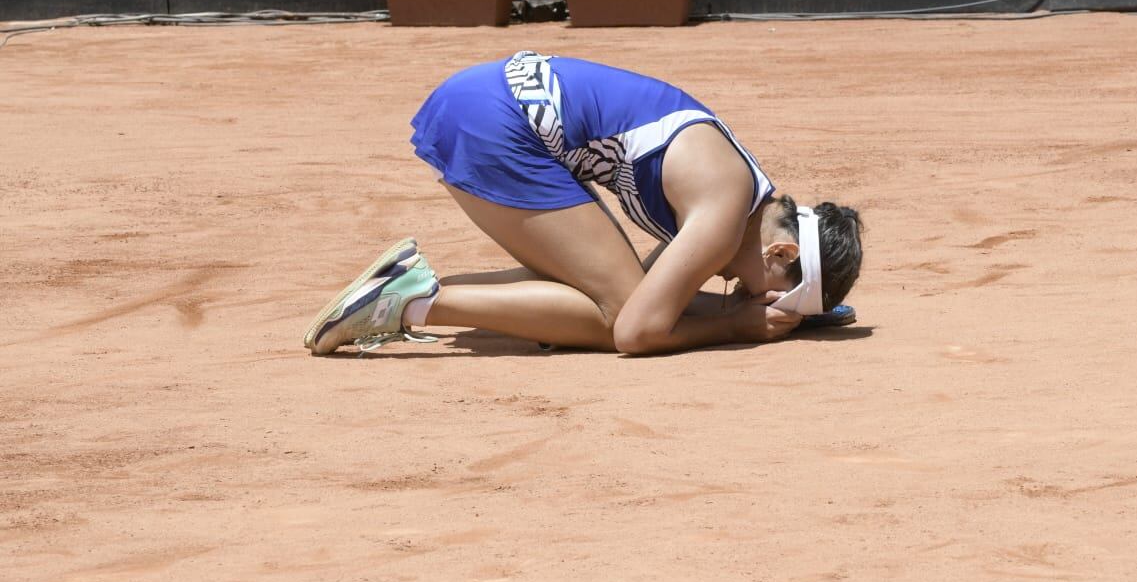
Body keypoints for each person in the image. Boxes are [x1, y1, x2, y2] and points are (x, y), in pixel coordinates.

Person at [303, 51, 862, 356]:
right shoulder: (723, 209)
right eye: (755, 290)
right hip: (495, 123)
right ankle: (403, 305)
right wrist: (735, 330)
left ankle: (407, 283)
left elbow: (656, 288)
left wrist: (801, 311)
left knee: (608, 291)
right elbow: (636, 329)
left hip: (488, 101)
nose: (739, 295)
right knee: (614, 313)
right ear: (782, 251)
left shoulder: (740, 199)